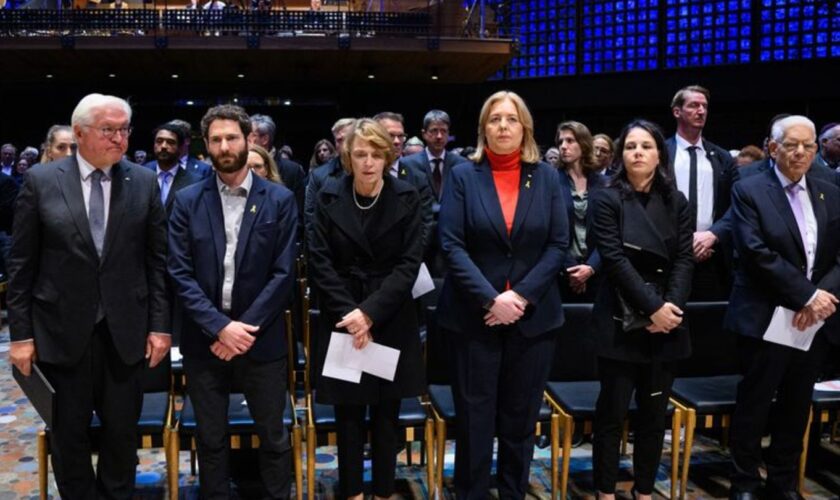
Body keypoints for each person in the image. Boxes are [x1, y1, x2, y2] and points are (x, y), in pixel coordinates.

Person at [7, 93, 170, 499]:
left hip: (125, 333)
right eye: (108, 130)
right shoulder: (42, 181)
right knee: (68, 438)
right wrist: (21, 336)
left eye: (124, 129)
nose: (120, 139)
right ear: (79, 133)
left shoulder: (143, 181)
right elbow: (21, 265)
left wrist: (160, 327)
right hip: (59, 334)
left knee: (120, 437)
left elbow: (157, 263)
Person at [437, 91, 567, 498]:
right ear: (483, 129)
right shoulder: (462, 174)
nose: (503, 126)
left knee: (520, 420)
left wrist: (521, 298)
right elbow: (451, 244)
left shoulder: (545, 177)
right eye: (495, 119)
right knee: (475, 421)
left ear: (524, 127)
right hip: (474, 319)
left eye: (511, 119)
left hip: (533, 320)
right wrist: (492, 299)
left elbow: (558, 244)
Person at [168, 104, 298, 499]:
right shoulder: (187, 200)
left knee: (274, 437)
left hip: (261, 339)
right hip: (204, 340)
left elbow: (283, 274)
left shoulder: (280, 200)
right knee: (209, 439)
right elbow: (179, 272)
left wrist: (241, 330)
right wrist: (220, 327)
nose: (225, 145)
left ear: (250, 140)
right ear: (205, 147)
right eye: (216, 139)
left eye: (232, 137)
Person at [308, 118, 425, 499]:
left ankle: (383, 491)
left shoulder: (408, 196)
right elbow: (319, 261)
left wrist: (371, 313)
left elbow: (410, 265)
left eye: (376, 154)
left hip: (389, 314)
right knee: (349, 413)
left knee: (387, 412)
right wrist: (353, 315)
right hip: (343, 314)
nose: (369, 162)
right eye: (361, 154)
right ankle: (354, 492)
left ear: (388, 156)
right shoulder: (327, 195)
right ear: (347, 156)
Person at [727, 115, 840, 500]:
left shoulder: (830, 189)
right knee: (754, 406)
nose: (800, 152)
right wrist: (806, 296)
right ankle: (744, 483)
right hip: (765, 315)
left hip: (814, 322)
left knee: (796, 406)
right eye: (791, 144)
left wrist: (819, 300)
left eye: (808, 145)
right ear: (773, 148)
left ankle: (783, 482)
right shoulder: (749, 188)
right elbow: (756, 253)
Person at [587, 119, 694, 500]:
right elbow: (614, 261)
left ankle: (645, 491)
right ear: (620, 154)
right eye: (630, 146)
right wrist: (652, 309)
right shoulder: (606, 197)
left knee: (653, 417)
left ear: (659, 154)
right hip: (621, 320)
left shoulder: (675, 200)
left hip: (666, 322)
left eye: (646, 146)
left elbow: (684, 258)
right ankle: (605, 491)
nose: (638, 153)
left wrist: (671, 310)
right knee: (611, 415)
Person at [666, 85, 738, 300]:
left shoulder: (722, 157)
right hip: (669, 253)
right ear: (677, 112)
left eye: (705, 106)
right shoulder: (660, 153)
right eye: (694, 105)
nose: (701, 111)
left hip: (711, 254)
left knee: (709, 324)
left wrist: (713, 234)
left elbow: (738, 204)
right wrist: (684, 241)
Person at [556, 120, 604, 302]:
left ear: (583, 144)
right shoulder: (551, 182)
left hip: (597, 271)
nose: (563, 147)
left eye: (570, 141)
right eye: (560, 142)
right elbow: (549, 232)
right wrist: (572, 270)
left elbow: (610, 231)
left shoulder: (604, 183)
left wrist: (591, 267)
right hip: (562, 272)